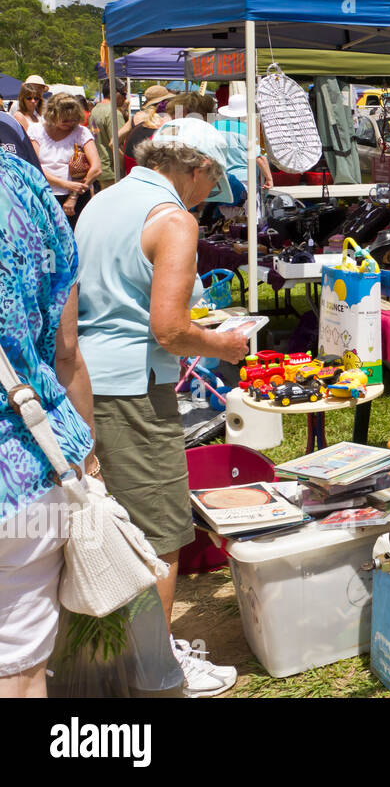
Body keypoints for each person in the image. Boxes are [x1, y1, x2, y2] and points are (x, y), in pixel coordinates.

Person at [75, 131, 249, 697]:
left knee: (103, 526)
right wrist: (223, 346)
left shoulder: (103, 200)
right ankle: (155, 670)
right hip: (132, 387)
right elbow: (170, 328)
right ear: (196, 168)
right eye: (213, 182)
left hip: (82, 381)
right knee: (158, 533)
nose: (209, 196)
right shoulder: (174, 219)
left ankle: (113, 660)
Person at [0, 152, 96, 698]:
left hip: (23, 462)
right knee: (17, 663)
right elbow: (65, 349)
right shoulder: (18, 182)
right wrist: (84, 455)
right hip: (22, 464)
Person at [28, 92, 99, 225]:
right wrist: (65, 184)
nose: (70, 124)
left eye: (73, 119)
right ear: (52, 116)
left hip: (76, 200)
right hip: (44, 195)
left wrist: (73, 195)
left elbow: (96, 168)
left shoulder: (81, 132)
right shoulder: (36, 131)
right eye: (65, 120)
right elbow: (33, 168)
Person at [214, 93, 273, 194]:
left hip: (220, 180)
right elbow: (259, 157)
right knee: (248, 209)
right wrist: (269, 178)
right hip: (244, 180)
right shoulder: (247, 130)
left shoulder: (214, 126)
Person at [89, 79, 131, 190]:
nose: (125, 98)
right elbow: (118, 144)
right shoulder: (113, 113)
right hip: (113, 171)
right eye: (124, 94)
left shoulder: (95, 110)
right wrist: (126, 169)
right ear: (115, 92)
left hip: (100, 168)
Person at [121, 86, 175, 165]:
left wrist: (125, 160)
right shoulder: (165, 121)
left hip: (133, 167)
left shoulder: (136, 117)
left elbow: (113, 143)